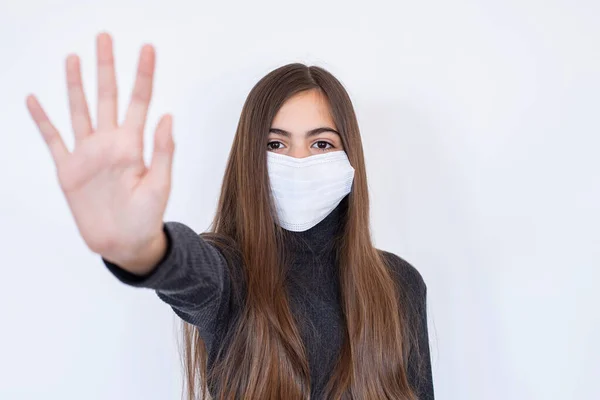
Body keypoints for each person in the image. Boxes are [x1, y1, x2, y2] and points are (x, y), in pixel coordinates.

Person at [26, 32, 434, 400]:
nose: (298, 160)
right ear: (250, 158)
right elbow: (186, 268)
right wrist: (141, 247)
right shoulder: (229, 274)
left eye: (322, 144)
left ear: (349, 158)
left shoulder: (399, 285)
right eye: (275, 144)